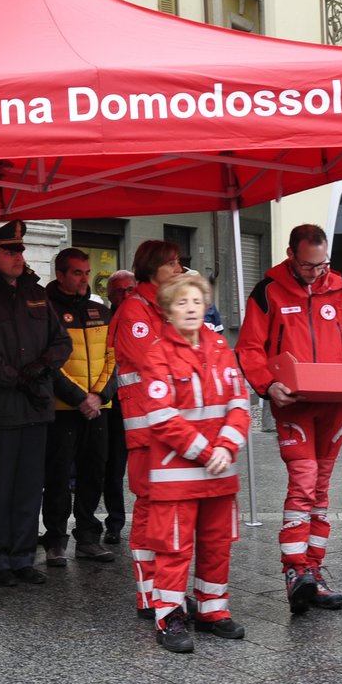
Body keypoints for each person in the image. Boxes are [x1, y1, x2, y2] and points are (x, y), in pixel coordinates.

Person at [236, 224, 342, 613]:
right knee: (305, 479)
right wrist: (267, 384)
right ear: (291, 255)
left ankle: (312, 571)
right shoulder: (268, 292)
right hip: (293, 405)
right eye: (308, 266)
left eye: (322, 265)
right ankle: (294, 571)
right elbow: (249, 348)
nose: (316, 273)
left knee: (321, 487)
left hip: (335, 404)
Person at [136, 273, 251, 652]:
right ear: (168, 310)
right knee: (174, 548)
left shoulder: (221, 346)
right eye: (182, 303)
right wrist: (208, 451)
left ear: (206, 307)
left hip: (221, 472)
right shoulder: (156, 353)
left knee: (218, 544)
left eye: (196, 302)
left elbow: (239, 403)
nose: (190, 309)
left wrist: (227, 447)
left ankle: (211, 610)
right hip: (178, 475)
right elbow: (162, 416)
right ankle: (169, 616)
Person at [0, 221, 72, 587]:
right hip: (1, 408)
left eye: (20, 250)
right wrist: (16, 377)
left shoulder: (36, 294)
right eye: (10, 251)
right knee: (1, 489)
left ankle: (23, 556)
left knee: (28, 488)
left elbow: (61, 342)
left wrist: (39, 368)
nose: (17, 256)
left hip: (36, 406)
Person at [109, 242, 187, 616]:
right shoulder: (133, 312)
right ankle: (148, 593)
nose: (179, 268)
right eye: (172, 263)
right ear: (152, 269)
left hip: (174, 427)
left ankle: (167, 588)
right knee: (149, 508)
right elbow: (160, 363)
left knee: (171, 511)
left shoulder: (169, 307)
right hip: (146, 431)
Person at [41, 248, 115, 565]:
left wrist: (98, 395)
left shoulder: (100, 311)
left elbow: (115, 357)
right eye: (77, 273)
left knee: (93, 474)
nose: (84, 279)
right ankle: (55, 540)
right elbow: (48, 362)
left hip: (99, 408)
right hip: (63, 408)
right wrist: (79, 397)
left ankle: (88, 538)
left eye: (86, 272)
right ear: (60, 275)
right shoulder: (46, 311)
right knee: (57, 477)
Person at [94, 270, 136, 547]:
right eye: (120, 290)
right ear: (110, 294)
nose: (126, 295)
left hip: (138, 404)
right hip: (109, 403)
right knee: (109, 467)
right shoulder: (103, 320)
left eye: (131, 289)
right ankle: (113, 523)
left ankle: (131, 521)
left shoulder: (142, 319)